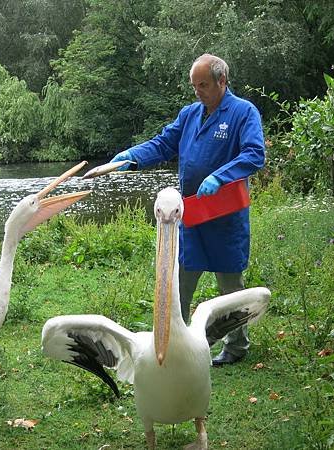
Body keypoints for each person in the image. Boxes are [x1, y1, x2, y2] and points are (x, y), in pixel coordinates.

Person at [110, 53, 265, 366]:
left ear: (222, 81)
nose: (198, 91)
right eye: (194, 85)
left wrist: (220, 176)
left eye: (203, 84)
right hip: (192, 215)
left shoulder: (242, 112)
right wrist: (131, 157)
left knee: (229, 286)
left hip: (225, 216)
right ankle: (176, 342)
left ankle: (236, 346)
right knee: (180, 279)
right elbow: (163, 144)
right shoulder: (190, 114)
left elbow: (254, 155)